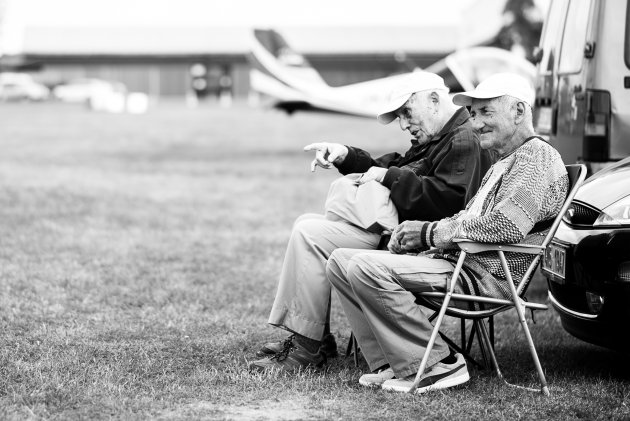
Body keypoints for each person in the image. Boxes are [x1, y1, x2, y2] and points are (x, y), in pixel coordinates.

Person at [326, 73, 568, 394]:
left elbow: (506, 225)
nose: (476, 123)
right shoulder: (505, 160)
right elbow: (470, 217)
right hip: (460, 262)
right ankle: (393, 361)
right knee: (340, 261)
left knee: (363, 266)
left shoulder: (536, 157)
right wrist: (422, 238)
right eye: (474, 114)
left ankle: (437, 365)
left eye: (486, 112)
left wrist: (429, 233)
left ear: (519, 112)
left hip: (484, 275)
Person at [249, 71, 494, 372]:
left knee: (309, 232)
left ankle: (307, 347)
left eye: (407, 113)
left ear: (434, 100)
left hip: (417, 245)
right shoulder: (444, 136)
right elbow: (395, 166)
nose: (403, 125)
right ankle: (313, 339)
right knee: (307, 224)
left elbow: (449, 203)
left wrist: (390, 177)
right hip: (401, 237)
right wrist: (345, 155)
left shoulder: (462, 140)